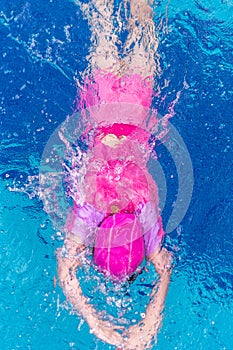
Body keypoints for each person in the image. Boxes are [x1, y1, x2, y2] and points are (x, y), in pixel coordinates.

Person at [57, 1, 172, 349]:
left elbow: (164, 269)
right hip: (101, 106)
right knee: (103, 26)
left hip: (136, 107)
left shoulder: (142, 212)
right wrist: (94, 320)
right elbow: (66, 268)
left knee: (142, 29)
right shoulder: (90, 208)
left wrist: (146, 326)